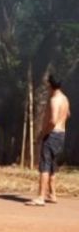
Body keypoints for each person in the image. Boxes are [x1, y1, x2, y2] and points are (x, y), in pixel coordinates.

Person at [26, 75, 70, 206]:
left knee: (44, 165)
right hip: (61, 134)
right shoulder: (65, 99)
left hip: (52, 134)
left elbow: (53, 120)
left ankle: (40, 197)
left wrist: (43, 133)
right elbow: (68, 114)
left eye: (47, 85)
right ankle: (52, 194)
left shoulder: (54, 100)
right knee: (52, 164)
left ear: (50, 85)